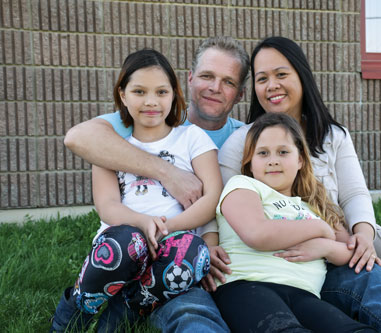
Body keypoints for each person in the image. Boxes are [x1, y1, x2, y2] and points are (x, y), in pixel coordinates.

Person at [214, 36, 381, 331]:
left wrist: (361, 235)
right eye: (262, 78)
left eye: (281, 74)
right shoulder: (241, 142)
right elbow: (226, 208)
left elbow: (353, 195)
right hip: (283, 263)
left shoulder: (332, 135)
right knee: (371, 282)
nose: (272, 85)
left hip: (340, 233)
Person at [63, 36, 250, 332]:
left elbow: (212, 198)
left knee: (193, 261)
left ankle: (126, 309)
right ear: (122, 95)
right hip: (126, 242)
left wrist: (170, 229)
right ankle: (76, 311)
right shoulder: (115, 139)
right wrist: (147, 217)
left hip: (177, 251)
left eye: (227, 82)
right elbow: (106, 202)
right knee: (126, 242)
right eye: (206, 76)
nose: (151, 101)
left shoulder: (227, 139)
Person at [214, 112, 375, 332]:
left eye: (283, 152)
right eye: (262, 153)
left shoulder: (313, 203)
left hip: (304, 294)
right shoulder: (242, 186)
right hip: (247, 287)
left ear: (300, 159)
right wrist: (319, 228)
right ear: (250, 164)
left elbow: (350, 251)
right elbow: (256, 234)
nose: (273, 160)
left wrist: (326, 246)